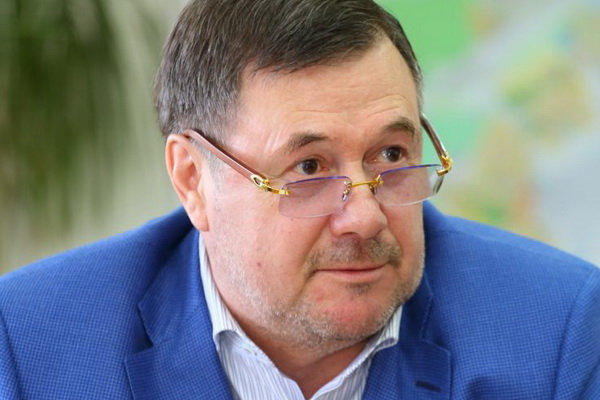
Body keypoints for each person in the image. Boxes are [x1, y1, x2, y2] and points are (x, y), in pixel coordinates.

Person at [1, 0, 598, 398]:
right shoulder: (29, 350)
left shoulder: (558, 332)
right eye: (309, 167)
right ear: (193, 180)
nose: (364, 216)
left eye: (391, 154)